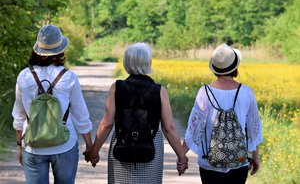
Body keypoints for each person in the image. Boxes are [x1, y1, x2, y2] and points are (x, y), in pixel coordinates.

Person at [84, 42, 188, 183]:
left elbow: (107, 124)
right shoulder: (160, 91)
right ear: (148, 63)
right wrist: (181, 156)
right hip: (151, 144)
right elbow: (168, 128)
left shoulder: (117, 88)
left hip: (122, 142)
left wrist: (94, 151)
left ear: (126, 63)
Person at [12, 24, 95, 184]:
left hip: (33, 145)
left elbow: (19, 115)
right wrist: (90, 146)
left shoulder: (24, 76)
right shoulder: (68, 77)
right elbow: (80, 115)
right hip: (65, 143)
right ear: (60, 50)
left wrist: (19, 146)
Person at [182, 43, 263, 184]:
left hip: (209, 163)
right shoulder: (246, 92)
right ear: (235, 67)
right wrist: (255, 156)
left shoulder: (204, 92)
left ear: (215, 69)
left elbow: (195, 128)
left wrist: (181, 155)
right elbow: (253, 128)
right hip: (239, 161)